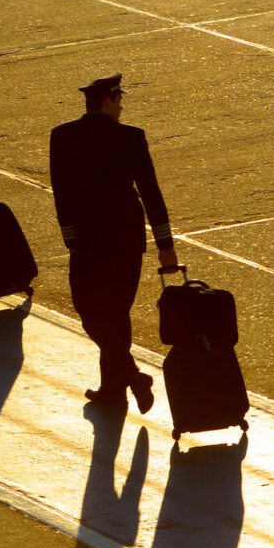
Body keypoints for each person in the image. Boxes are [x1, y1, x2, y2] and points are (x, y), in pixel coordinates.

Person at [50, 73, 179, 413]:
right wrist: (165, 244)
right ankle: (127, 380)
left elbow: (62, 192)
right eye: (119, 100)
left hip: (88, 238)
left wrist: (70, 237)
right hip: (126, 236)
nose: (121, 107)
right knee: (117, 312)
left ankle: (117, 388)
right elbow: (150, 192)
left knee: (89, 310)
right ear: (108, 100)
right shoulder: (131, 137)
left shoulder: (63, 136)